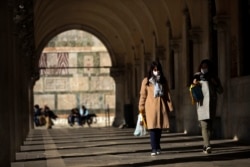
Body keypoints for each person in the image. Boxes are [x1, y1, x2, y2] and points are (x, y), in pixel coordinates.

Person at [138, 60, 174, 156]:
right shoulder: (146, 81)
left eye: (158, 70)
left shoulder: (163, 80)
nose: (156, 71)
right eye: (154, 69)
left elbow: (167, 94)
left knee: (159, 129)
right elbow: (143, 95)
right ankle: (154, 148)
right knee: (153, 128)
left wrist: (170, 106)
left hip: (161, 107)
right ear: (151, 70)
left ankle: (158, 146)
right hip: (150, 108)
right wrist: (141, 107)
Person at [192, 59, 223, 154]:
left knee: (210, 126)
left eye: (206, 67)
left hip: (211, 104)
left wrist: (215, 83)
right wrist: (193, 84)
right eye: (202, 67)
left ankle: (205, 144)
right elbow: (191, 89)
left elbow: (221, 91)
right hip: (201, 104)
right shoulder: (197, 76)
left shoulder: (213, 77)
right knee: (204, 125)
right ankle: (208, 145)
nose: (204, 69)